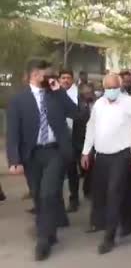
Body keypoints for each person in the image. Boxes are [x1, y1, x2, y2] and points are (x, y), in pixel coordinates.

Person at [6, 59, 77, 261]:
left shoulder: (56, 95)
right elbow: (13, 132)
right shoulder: (18, 100)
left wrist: (59, 92)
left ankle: (43, 240)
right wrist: (14, 160)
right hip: (32, 155)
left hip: (55, 152)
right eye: (47, 74)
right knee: (38, 195)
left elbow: (77, 114)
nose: (51, 77)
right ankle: (50, 230)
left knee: (48, 193)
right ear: (35, 74)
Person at [80, 73, 131, 254]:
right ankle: (126, 223)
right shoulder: (99, 104)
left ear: (120, 87)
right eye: (107, 88)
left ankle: (109, 237)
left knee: (114, 193)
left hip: (122, 155)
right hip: (102, 156)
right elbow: (91, 127)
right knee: (102, 193)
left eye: (114, 87)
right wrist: (86, 151)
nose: (111, 91)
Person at [58, 69, 81, 212]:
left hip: (74, 136)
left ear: (72, 79)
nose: (65, 80)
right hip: (57, 136)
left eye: (68, 78)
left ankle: (74, 199)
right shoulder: (54, 93)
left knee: (72, 169)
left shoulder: (78, 94)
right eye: (63, 78)